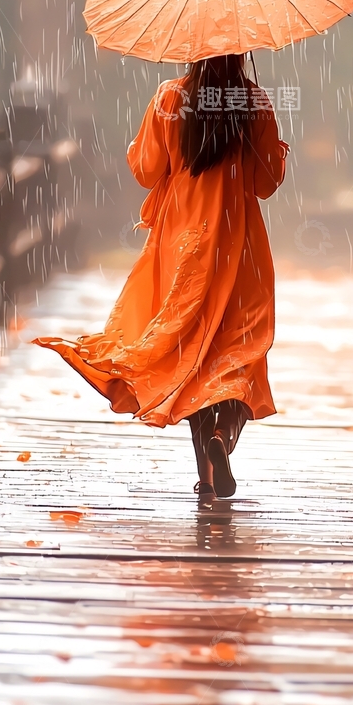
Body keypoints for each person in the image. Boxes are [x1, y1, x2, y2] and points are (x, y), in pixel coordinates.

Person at [34, 54, 289, 499]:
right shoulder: (254, 102)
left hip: (182, 246)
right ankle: (222, 437)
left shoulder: (170, 98)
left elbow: (147, 170)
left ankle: (206, 480)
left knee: (190, 354)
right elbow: (265, 183)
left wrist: (143, 145)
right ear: (241, 51)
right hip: (238, 242)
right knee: (237, 354)